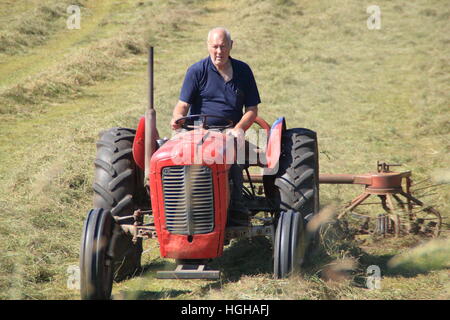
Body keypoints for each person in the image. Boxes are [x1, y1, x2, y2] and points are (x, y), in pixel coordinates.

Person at [170, 27, 261, 226]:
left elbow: (252, 109)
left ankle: (236, 205)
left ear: (231, 46)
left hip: (229, 131)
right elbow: (182, 105)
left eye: (223, 46)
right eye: (215, 47)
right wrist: (177, 118)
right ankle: (177, 205)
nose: (219, 51)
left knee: (231, 151)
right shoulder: (196, 71)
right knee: (175, 154)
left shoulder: (243, 71)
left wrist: (239, 128)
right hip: (198, 130)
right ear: (208, 46)